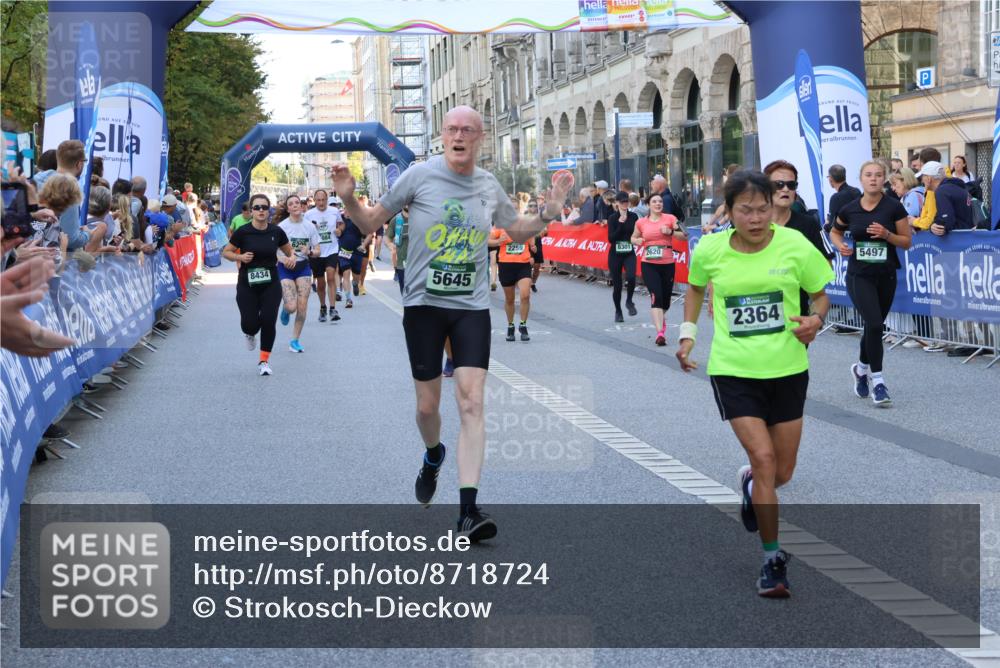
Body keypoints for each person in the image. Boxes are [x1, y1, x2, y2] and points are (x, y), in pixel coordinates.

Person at [329, 105, 572, 541]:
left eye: (468, 130)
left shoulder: (486, 184)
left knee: (472, 402)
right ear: (443, 136)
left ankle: (468, 510)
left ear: (480, 138)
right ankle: (433, 454)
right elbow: (369, 221)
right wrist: (349, 197)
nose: (459, 136)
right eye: (452, 129)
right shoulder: (419, 177)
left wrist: (549, 212)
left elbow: (516, 232)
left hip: (471, 306)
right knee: (427, 408)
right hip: (423, 305)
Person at [676, 169, 833, 598]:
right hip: (734, 369)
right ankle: (772, 559)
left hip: (787, 368)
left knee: (782, 470)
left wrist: (815, 320)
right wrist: (687, 332)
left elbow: (821, 293)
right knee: (763, 458)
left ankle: (751, 487)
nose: (756, 217)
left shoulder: (794, 244)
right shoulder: (710, 249)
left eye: (763, 208)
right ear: (728, 211)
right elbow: (693, 288)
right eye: (745, 210)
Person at [829, 161, 912, 406]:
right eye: (868, 175)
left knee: (874, 327)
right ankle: (878, 382)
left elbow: (906, 242)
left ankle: (861, 369)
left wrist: (887, 235)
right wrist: (840, 245)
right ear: (861, 179)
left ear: (884, 178)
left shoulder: (893, 207)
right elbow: (835, 231)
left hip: (886, 275)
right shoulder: (850, 208)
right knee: (875, 323)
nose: (873, 179)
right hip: (859, 275)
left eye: (878, 175)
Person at [222, 193, 293, 375]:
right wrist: (239, 256)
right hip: (247, 284)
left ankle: (264, 361)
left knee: (269, 321)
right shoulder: (243, 232)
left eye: (264, 207)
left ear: (269, 211)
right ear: (251, 211)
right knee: (250, 324)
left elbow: (288, 250)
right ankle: (249, 333)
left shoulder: (276, 232)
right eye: (257, 207)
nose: (261, 211)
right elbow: (226, 252)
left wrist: (290, 259)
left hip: (271, 283)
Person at [763, 160, 835, 319]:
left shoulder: (808, 224)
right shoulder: (751, 222)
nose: (785, 189)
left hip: (795, 314)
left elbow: (827, 262)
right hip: (756, 310)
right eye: (779, 185)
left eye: (791, 185)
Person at [631, 192, 685, 345]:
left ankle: (661, 319)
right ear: (648, 205)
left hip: (667, 263)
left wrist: (671, 232)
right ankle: (660, 333)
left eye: (660, 201)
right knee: (656, 296)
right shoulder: (641, 222)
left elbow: (684, 235)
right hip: (649, 264)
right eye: (654, 201)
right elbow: (633, 238)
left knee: (665, 301)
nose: (658, 204)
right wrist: (638, 240)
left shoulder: (670, 218)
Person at [276, 194, 321, 353]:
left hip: (303, 267)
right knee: (292, 306)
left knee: (302, 307)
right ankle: (286, 309)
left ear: (302, 207)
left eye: (297, 203)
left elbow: (317, 250)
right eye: (291, 204)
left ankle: (294, 340)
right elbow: (273, 251)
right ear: (288, 208)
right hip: (285, 267)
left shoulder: (309, 226)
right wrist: (282, 259)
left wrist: (308, 251)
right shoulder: (281, 227)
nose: (295, 205)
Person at [490, 224, 536, 341]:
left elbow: (532, 239)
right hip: (506, 266)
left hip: (523, 265)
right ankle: (510, 326)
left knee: (525, 296)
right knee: (509, 299)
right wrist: (499, 241)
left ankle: (523, 325)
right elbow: (488, 241)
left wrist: (533, 246)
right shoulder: (499, 227)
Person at [303, 189, 341, 323]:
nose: (321, 203)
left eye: (323, 200)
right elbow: (304, 231)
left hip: (331, 249)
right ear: (314, 200)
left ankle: (333, 308)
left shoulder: (334, 211)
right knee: (320, 283)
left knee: (331, 276)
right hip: (316, 252)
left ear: (327, 199)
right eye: (318, 200)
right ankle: (323, 307)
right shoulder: (308, 214)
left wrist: (339, 230)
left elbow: (341, 224)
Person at [607, 190, 638, 322]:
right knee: (617, 286)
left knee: (631, 277)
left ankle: (629, 301)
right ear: (617, 203)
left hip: (629, 252)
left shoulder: (634, 216)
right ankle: (618, 311)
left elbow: (638, 233)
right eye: (622, 202)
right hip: (615, 254)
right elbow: (611, 239)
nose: (625, 204)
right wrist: (620, 224)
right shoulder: (612, 218)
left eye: (627, 201)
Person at [335, 211, 366, 310]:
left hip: (357, 252)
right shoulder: (341, 219)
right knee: (346, 273)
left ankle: (355, 283)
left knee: (356, 275)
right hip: (344, 252)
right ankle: (348, 299)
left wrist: (364, 244)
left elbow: (367, 233)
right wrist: (338, 231)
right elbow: (339, 232)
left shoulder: (359, 218)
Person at [824, 164, 861, 233]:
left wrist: (826, 225)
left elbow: (831, 227)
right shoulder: (857, 191)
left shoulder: (836, 198)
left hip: (844, 239)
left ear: (830, 179)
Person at [527, 198, 546, 293]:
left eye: (535, 205)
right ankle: (528, 282)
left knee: (537, 267)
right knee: (529, 265)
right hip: (527, 244)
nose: (533, 207)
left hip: (538, 243)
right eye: (531, 205)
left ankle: (533, 283)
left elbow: (545, 231)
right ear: (528, 207)